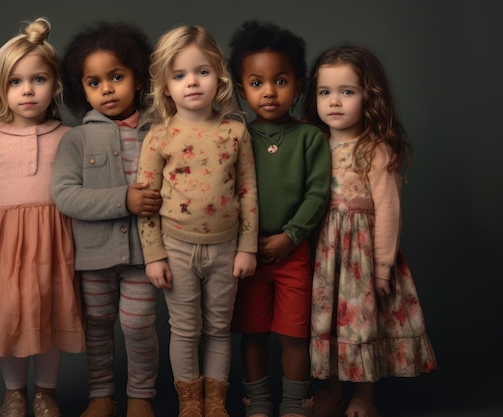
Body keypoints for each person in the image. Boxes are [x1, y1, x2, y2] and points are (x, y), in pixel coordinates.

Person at [0, 17, 85, 417]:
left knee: (52, 320)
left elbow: (82, 194)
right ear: (1, 89)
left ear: (55, 85)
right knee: (10, 323)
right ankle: (14, 393)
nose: (27, 90)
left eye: (38, 79)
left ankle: (46, 391)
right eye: (15, 82)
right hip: (2, 253)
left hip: (55, 248)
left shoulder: (69, 138)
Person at [303, 45, 438, 417]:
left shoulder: (375, 148)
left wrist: (382, 267)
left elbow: (389, 211)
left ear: (369, 96)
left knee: (362, 326)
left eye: (347, 92)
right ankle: (329, 392)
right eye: (325, 92)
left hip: (360, 257)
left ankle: (363, 396)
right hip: (322, 255)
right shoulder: (311, 143)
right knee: (325, 326)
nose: (334, 102)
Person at [136, 24, 259, 417]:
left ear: (218, 77)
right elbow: (146, 201)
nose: (192, 82)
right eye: (179, 75)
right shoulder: (158, 137)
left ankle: (215, 402)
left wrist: (247, 247)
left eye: (202, 72)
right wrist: (153, 255)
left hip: (226, 249)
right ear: (165, 85)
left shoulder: (235, 131)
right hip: (175, 247)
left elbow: (248, 193)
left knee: (218, 330)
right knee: (184, 330)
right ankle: (190, 403)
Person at [51, 21, 161, 417]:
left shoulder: (158, 132)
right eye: (94, 82)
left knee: (138, 325)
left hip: (144, 256)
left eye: (116, 77)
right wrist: (122, 200)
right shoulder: (76, 139)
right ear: (82, 88)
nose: (107, 89)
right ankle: (101, 394)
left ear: (138, 78)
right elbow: (64, 195)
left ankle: (141, 396)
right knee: (97, 325)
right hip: (94, 257)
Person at [227, 20, 331, 417]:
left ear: (299, 86)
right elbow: (229, 193)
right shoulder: (236, 137)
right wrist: (245, 241)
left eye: (281, 81)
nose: (269, 91)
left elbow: (317, 193)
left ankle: (293, 403)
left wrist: (291, 235)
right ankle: (258, 402)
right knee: (251, 334)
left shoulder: (309, 138)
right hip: (247, 254)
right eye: (257, 83)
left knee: (293, 335)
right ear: (241, 89)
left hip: (293, 252)